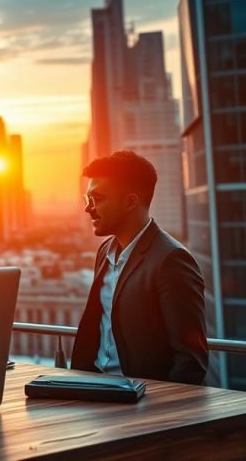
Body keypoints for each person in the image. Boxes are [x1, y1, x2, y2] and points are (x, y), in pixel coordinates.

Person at [71, 150, 208, 384]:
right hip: (96, 392)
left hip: (142, 403)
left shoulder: (171, 260)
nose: (88, 208)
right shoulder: (105, 251)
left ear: (130, 202)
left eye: (98, 199)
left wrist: (156, 413)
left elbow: (190, 360)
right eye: (88, 199)